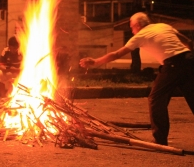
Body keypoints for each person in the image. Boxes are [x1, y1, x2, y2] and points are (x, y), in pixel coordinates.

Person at [79, 12, 194, 146]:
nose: (131, 30)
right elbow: (189, 42)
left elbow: (116, 54)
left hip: (172, 65)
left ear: (138, 25)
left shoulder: (141, 35)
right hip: (189, 60)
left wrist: (94, 61)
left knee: (155, 100)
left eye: (131, 27)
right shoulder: (163, 26)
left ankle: (160, 140)